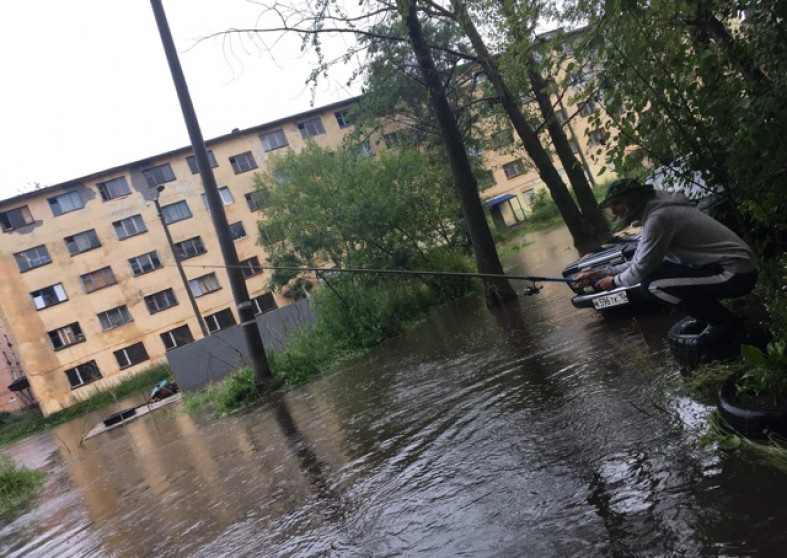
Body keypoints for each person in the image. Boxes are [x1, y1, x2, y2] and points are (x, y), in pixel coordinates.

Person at [573, 178, 757, 339]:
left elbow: (640, 270)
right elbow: (640, 262)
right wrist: (598, 273)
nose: (614, 211)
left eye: (617, 203)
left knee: (652, 285)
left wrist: (615, 282)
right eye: (611, 207)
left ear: (634, 197)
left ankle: (723, 321)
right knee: (655, 274)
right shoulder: (655, 214)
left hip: (736, 273)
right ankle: (707, 317)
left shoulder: (659, 218)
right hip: (720, 269)